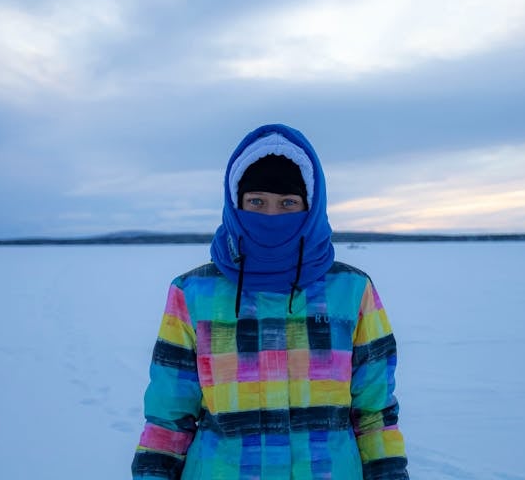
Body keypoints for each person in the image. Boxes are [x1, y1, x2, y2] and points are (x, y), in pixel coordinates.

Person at [131, 124, 409, 479]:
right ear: (236, 204)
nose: (271, 216)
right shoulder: (193, 293)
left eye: (288, 203)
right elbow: (168, 420)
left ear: (310, 207)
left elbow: (375, 415)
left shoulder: (352, 291)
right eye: (257, 202)